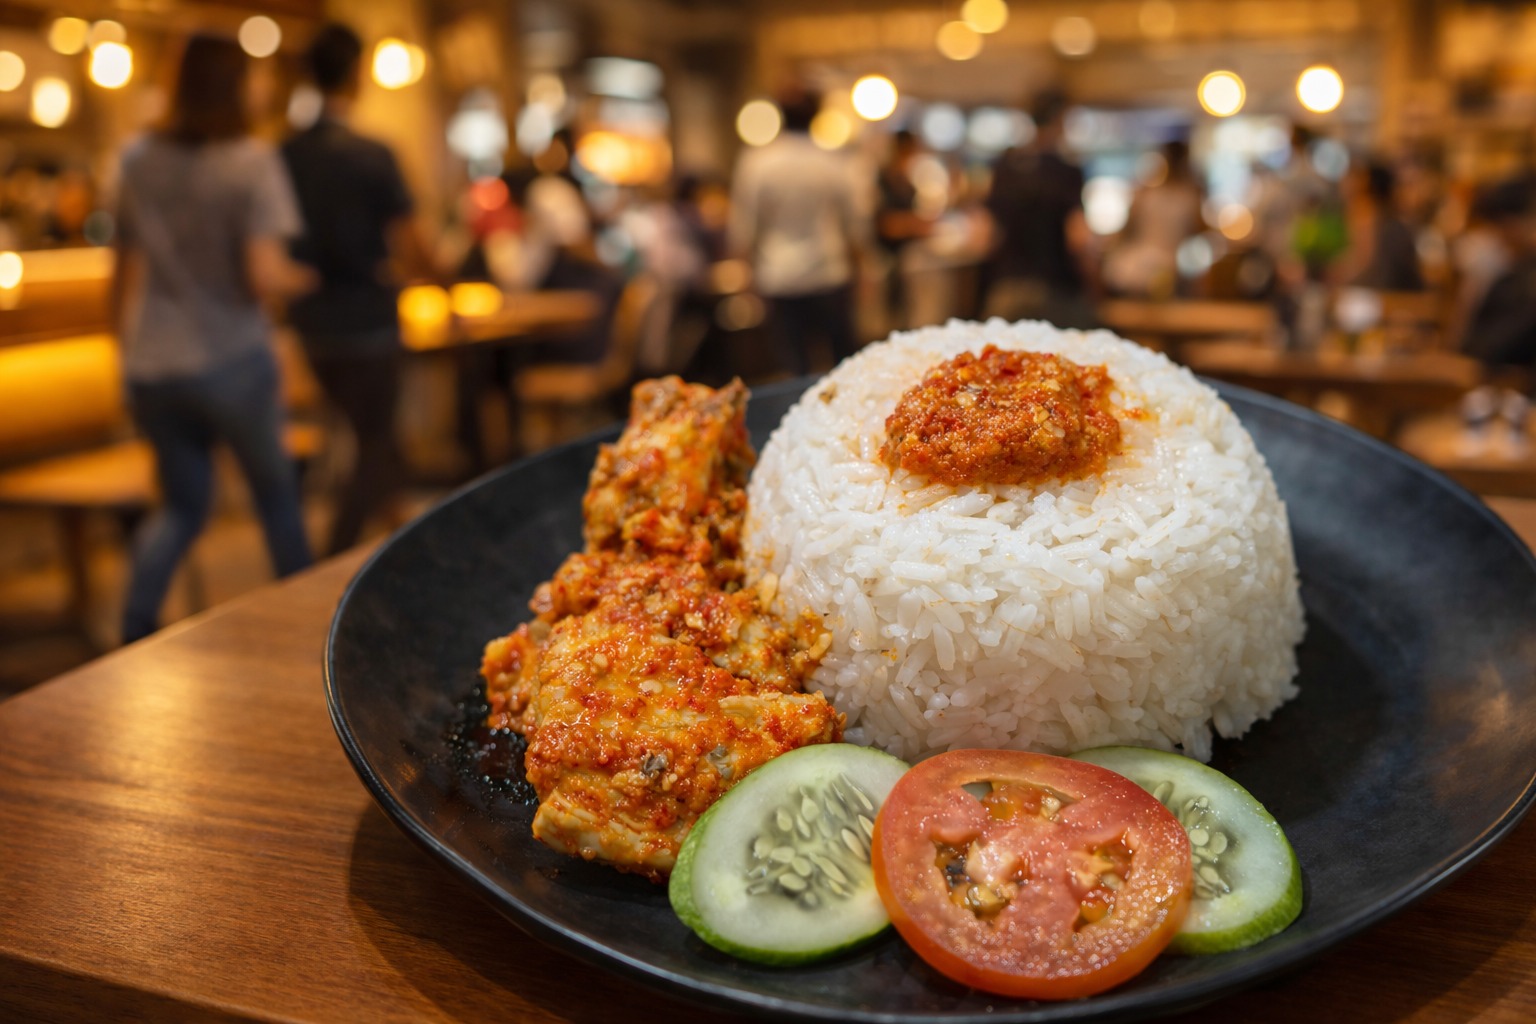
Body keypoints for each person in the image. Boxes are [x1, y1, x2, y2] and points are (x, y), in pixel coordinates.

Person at [112, 32, 316, 644]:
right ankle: (313, 634)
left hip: (152, 360)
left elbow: (120, 269)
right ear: (232, 85)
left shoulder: (136, 157)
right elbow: (263, 276)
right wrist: (315, 278)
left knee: (181, 507)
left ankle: (132, 626)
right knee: (276, 497)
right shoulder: (250, 160)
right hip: (231, 355)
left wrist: (118, 354)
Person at [282, 23, 436, 555]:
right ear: (356, 74)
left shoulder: (283, 155)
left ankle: (404, 545)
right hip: (368, 320)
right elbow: (413, 245)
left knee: (375, 440)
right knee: (375, 445)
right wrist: (443, 279)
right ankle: (334, 556)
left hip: (311, 326)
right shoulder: (372, 153)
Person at [729, 85, 865, 376]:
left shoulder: (758, 162)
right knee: (845, 365)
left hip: (781, 277)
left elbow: (744, 228)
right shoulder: (832, 161)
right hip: (830, 272)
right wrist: (862, 273)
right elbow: (854, 226)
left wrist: (745, 278)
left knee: (796, 368)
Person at [982, 89, 1095, 328]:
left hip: (1006, 287)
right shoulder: (1067, 171)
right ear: (1059, 120)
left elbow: (985, 236)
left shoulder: (1004, 168)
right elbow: (1078, 238)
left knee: (998, 361)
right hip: (1056, 289)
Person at [1103, 139, 1203, 299]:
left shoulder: (1146, 193)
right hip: (1163, 269)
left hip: (1144, 269)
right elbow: (1198, 233)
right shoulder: (1191, 195)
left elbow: (1126, 230)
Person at [1332, 159, 1424, 292]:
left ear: (1364, 183)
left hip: (1391, 298)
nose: (1343, 184)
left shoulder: (1374, 217)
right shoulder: (1376, 216)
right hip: (1381, 294)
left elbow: (1365, 265)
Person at [875, 129, 933, 329]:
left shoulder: (904, 178)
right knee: (892, 317)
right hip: (888, 258)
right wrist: (915, 224)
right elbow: (884, 223)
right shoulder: (883, 178)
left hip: (907, 259)